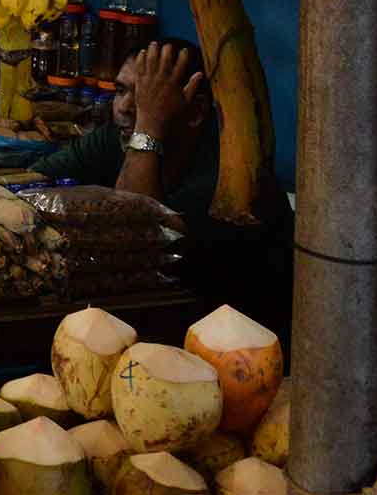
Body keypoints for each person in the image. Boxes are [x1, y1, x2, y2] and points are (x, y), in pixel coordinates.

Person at [34, 39, 295, 328]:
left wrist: (148, 126)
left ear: (195, 113)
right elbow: (32, 184)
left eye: (148, 98)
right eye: (121, 91)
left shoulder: (232, 179)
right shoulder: (116, 136)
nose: (125, 107)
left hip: (238, 348)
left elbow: (133, 244)